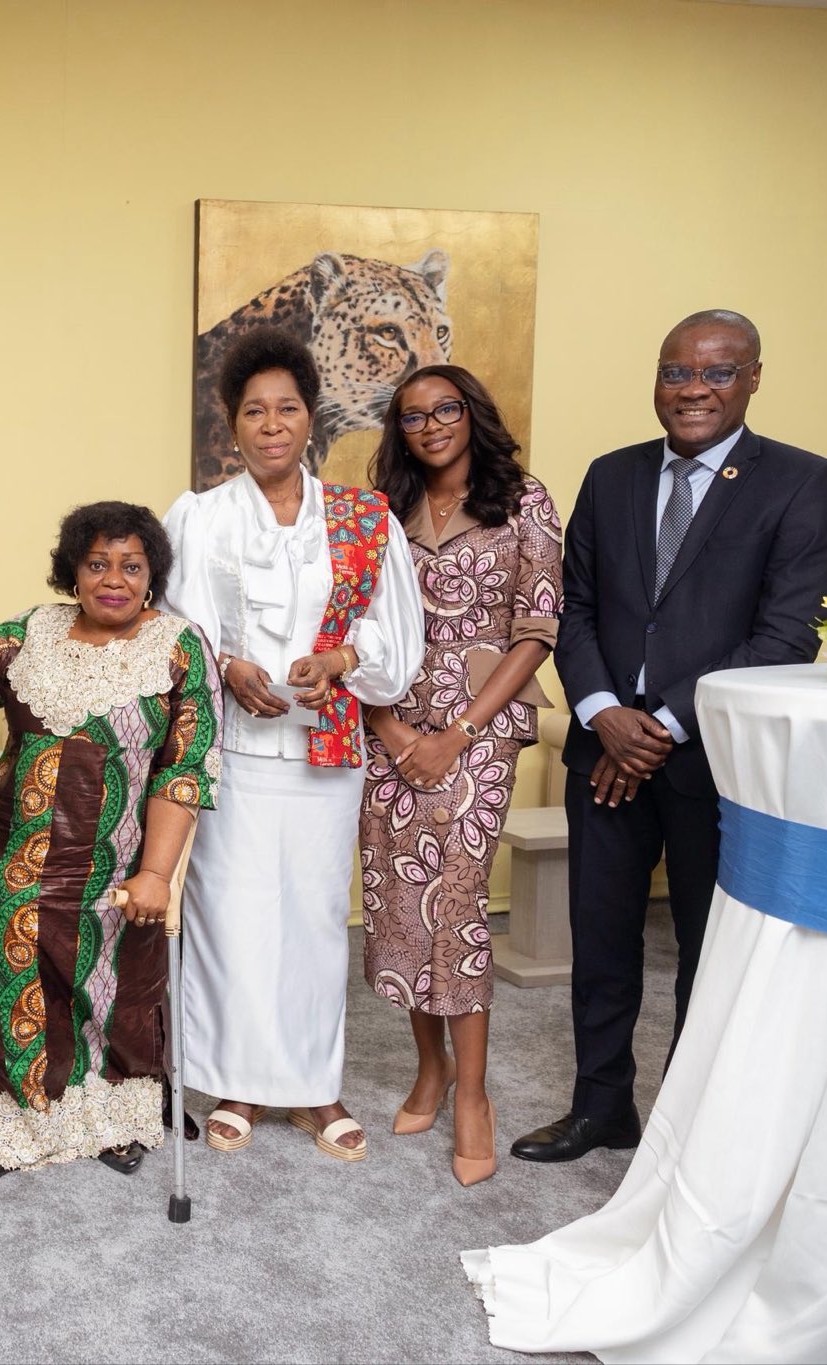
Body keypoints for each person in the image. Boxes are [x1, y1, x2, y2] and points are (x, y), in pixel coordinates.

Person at [513, 309, 827, 1163]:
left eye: (717, 372)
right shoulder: (611, 474)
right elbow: (573, 607)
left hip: (715, 761)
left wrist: (659, 725)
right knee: (602, 937)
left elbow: (788, 635)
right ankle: (601, 1108)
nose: (693, 389)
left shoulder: (803, 482)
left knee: (706, 945)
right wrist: (602, 712)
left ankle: (684, 1125)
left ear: (754, 377)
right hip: (601, 751)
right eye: (676, 371)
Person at [162, 326, 425, 1162]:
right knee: (231, 915)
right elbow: (172, 627)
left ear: (311, 417)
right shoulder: (200, 517)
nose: (271, 425)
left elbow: (397, 638)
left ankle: (315, 1086)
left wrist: (343, 660)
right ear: (231, 423)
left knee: (312, 916)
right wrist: (226, 665)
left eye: (287, 409)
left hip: (325, 751)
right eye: (254, 411)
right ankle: (238, 1083)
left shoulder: (364, 519)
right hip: (233, 752)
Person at [0, 502, 220, 1179]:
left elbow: (186, 768)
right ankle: (16, 1126)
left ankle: (114, 1121)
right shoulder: (29, 633)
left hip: (120, 863)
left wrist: (156, 873)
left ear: (153, 575)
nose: (114, 579)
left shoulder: (179, 646)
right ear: (73, 570)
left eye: (132, 566)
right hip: (13, 856)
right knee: (13, 990)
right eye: (97, 563)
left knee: (114, 995)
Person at [360, 365, 563, 1188]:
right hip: (391, 721)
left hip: (480, 725)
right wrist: (389, 726)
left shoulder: (524, 500)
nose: (432, 425)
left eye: (445, 408)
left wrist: (459, 733)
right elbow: (352, 624)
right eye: (413, 416)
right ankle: (431, 1067)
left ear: (473, 413)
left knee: (457, 903)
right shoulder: (381, 510)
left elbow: (536, 629)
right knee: (400, 903)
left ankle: (474, 1094)